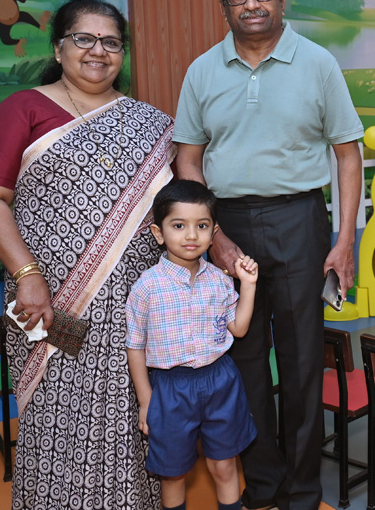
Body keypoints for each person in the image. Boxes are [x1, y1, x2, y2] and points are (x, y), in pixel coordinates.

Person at [0, 0, 175, 510]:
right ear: (59, 48)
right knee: (54, 415)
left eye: (112, 42)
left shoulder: (150, 122)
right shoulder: (22, 109)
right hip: (46, 303)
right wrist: (27, 275)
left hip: (135, 308)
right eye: (84, 38)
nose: (98, 51)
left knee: (131, 417)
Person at [173, 0, 363, 510]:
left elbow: (347, 154)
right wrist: (214, 236)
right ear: (224, 5)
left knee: (303, 363)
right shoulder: (202, 71)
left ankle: (302, 491)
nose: (251, 3)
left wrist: (345, 240)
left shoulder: (318, 63)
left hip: (300, 220)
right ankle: (262, 483)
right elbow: (188, 160)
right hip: (228, 223)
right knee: (242, 360)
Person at [126, 180, 259, 510]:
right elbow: (135, 346)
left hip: (221, 381)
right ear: (158, 233)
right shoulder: (146, 288)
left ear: (213, 233)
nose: (191, 235)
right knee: (173, 475)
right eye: (178, 225)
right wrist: (145, 400)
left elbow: (239, 329)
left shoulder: (219, 280)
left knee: (224, 466)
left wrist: (248, 285)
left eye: (201, 226)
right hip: (171, 389)